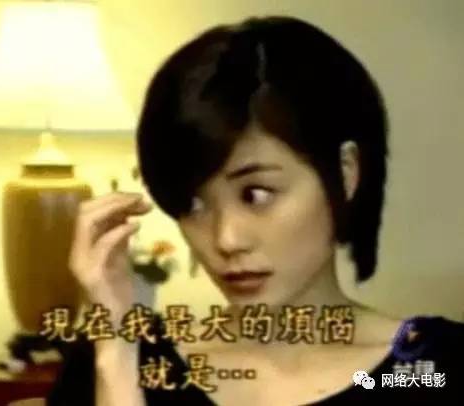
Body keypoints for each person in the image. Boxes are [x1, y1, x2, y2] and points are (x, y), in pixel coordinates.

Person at [46, 16, 464, 406]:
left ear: (345, 173)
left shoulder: (432, 367)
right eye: (193, 204)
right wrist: (116, 358)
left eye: (256, 194)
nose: (226, 239)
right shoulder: (123, 361)